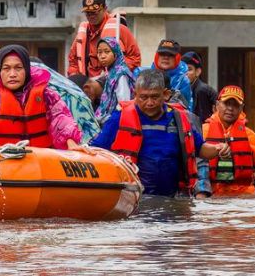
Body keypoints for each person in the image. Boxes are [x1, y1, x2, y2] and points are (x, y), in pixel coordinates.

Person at [91, 69, 224, 198]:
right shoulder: (119, 118)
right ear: (135, 95)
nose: (149, 103)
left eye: (154, 97)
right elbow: (96, 150)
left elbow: (201, 149)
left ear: (165, 94)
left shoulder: (178, 119)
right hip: (134, 198)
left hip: (173, 198)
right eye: (143, 97)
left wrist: (218, 149)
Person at [202, 85, 255, 196]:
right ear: (217, 105)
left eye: (235, 105)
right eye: (226, 103)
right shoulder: (203, 131)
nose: (230, 108)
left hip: (242, 196)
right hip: (210, 194)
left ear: (241, 108)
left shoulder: (249, 135)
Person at [67, 0, 141, 77]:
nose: (91, 16)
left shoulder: (118, 28)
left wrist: (114, 71)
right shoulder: (83, 33)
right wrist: (75, 77)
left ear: (105, 8)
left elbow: (135, 58)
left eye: (94, 12)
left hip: (113, 83)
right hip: (89, 85)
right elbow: (73, 61)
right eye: (88, 13)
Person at [135, 39, 192, 107]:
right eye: (162, 54)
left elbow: (185, 109)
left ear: (177, 58)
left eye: (170, 55)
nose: (166, 57)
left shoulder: (183, 80)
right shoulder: (140, 74)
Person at [94, 37, 135, 124]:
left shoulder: (121, 74)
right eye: (99, 52)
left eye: (107, 51)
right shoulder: (111, 72)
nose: (102, 56)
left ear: (115, 53)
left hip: (116, 122)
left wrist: (111, 121)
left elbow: (124, 103)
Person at [182, 51, 217, 124]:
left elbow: (201, 121)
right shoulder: (183, 88)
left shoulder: (201, 90)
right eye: (183, 69)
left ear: (197, 72)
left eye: (189, 69)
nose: (185, 73)